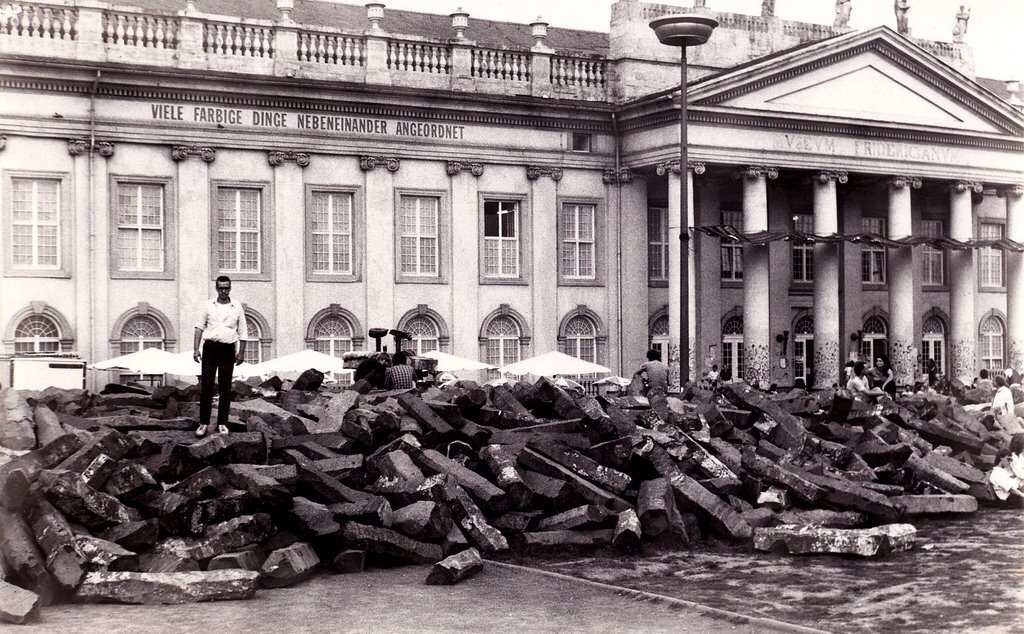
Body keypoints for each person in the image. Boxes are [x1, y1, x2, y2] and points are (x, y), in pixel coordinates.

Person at [193, 275, 247, 437]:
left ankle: (222, 423)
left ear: (230, 288)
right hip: (210, 348)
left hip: (228, 349)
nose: (224, 291)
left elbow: (243, 330)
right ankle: (203, 423)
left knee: (225, 387)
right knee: (207, 386)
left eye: (227, 288)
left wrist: (241, 352)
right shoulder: (208, 305)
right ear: (216, 288)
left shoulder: (236, 306)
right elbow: (199, 327)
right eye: (221, 288)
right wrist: (195, 350)